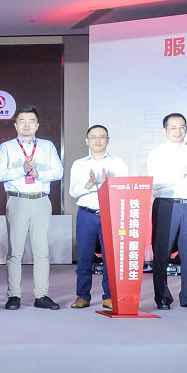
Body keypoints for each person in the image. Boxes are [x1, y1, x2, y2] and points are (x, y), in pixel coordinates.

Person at [0, 106, 64, 310]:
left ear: (37, 125)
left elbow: (58, 171)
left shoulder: (47, 146)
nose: (26, 124)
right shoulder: (6, 147)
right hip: (17, 200)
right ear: (15, 125)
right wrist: (21, 169)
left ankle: (41, 295)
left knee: (41, 251)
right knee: (15, 251)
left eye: (31, 121)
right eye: (22, 121)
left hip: (41, 200)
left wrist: (38, 173)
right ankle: (13, 295)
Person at [146, 113, 187, 310]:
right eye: (173, 127)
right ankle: (162, 296)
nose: (178, 131)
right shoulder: (157, 153)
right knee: (162, 252)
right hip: (166, 204)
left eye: (182, 127)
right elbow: (156, 183)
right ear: (165, 130)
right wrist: (183, 172)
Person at [68, 125, 129, 310]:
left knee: (111, 257)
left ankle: (109, 296)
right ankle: (83, 296)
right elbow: (73, 192)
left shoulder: (118, 163)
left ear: (108, 140)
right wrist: (89, 184)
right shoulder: (79, 164)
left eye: (102, 136)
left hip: (110, 214)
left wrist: (109, 184)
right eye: (93, 137)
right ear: (87, 141)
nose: (98, 140)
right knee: (84, 257)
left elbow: (124, 189)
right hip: (86, 214)